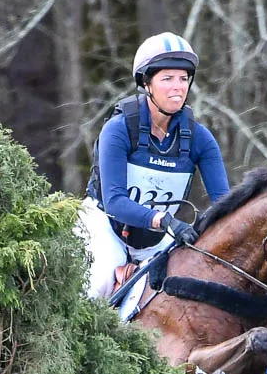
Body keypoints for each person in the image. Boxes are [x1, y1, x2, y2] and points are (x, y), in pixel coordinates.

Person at [80, 32, 231, 304]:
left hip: (156, 239)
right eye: (167, 78)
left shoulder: (201, 139)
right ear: (146, 83)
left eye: (183, 79)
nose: (178, 87)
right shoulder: (117, 130)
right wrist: (165, 220)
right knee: (98, 284)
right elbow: (115, 202)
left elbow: (225, 204)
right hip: (105, 226)